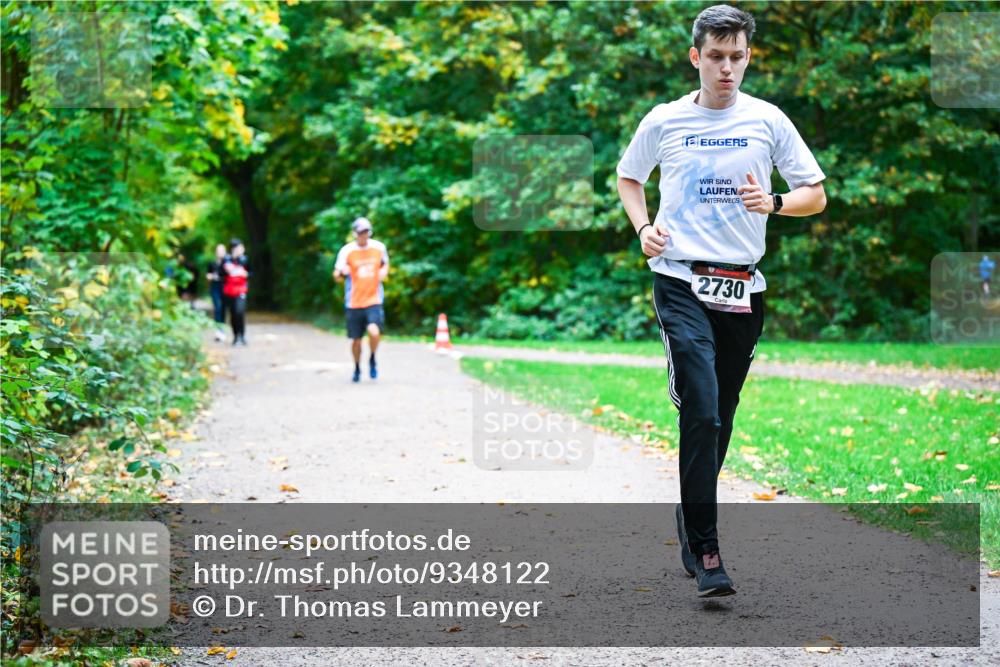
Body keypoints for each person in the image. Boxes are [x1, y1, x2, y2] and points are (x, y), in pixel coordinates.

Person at [616, 5, 827, 597]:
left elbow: (814, 194)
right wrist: (643, 229)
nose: (727, 68)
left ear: (748, 57)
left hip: (741, 286)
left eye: (737, 57)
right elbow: (629, 178)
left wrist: (777, 204)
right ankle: (708, 551)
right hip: (680, 279)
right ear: (696, 57)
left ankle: (692, 512)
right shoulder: (664, 120)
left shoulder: (768, 120)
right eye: (716, 56)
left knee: (722, 415)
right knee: (701, 408)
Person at [333, 217, 389, 383]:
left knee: (374, 331)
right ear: (355, 234)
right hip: (354, 302)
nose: (364, 235)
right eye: (361, 232)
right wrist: (343, 272)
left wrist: (384, 272)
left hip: (374, 299)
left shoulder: (379, 247)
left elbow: (385, 264)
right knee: (356, 340)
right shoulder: (347, 251)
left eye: (366, 232)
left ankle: (372, 357)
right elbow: (336, 275)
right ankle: (357, 367)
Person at [222, 239, 250, 346]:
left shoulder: (245, 260)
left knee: (240, 312)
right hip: (229, 290)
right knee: (233, 313)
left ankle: (242, 335)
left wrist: (245, 274)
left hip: (241, 289)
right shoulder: (227, 260)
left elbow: (250, 272)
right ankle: (235, 336)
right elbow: (221, 273)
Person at [206, 243, 228, 342]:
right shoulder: (211, 263)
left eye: (222, 251)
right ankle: (218, 330)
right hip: (215, 287)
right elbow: (208, 275)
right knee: (217, 307)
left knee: (223, 308)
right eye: (218, 251)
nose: (220, 253)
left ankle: (222, 329)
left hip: (225, 287)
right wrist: (210, 277)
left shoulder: (227, 263)